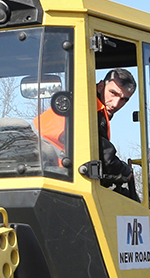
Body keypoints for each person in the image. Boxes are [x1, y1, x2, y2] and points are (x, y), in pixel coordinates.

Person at [36, 68, 137, 197]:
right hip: (59, 178)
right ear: (100, 87)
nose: (116, 103)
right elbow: (105, 158)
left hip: (56, 173)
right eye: (113, 93)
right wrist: (125, 171)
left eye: (124, 99)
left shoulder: (85, 104)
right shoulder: (87, 109)